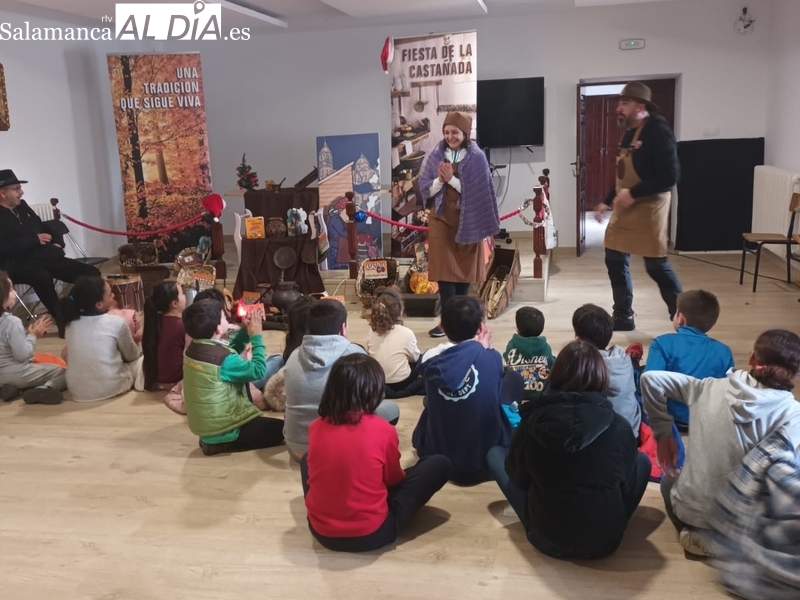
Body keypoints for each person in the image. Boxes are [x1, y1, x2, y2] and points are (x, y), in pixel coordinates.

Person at [641, 329, 800, 557]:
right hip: (745, 521)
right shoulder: (794, 414)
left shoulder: (706, 387)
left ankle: (697, 534)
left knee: (668, 482)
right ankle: (736, 544)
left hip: (693, 512)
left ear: (753, 358)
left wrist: (663, 433)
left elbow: (649, 378)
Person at [487, 340, 650, 559]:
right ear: (601, 377)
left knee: (495, 454)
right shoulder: (620, 426)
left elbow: (518, 476)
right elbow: (625, 483)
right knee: (643, 461)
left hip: (545, 538)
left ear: (556, 374)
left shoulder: (532, 422)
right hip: (605, 541)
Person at [300, 354, 451, 552]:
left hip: (321, 533)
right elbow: (393, 480)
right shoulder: (383, 429)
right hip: (373, 534)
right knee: (439, 464)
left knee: (306, 460)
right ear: (374, 391)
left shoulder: (315, 427)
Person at [593, 83, 682, 331]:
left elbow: (669, 177)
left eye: (625, 103)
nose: (618, 108)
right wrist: (608, 199)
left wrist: (633, 193)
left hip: (650, 205)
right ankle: (623, 316)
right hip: (626, 204)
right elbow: (622, 173)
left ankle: (684, 322)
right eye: (619, 103)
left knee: (656, 266)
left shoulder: (658, 131)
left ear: (640, 106)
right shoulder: (629, 133)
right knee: (614, 257)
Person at [412, 296, 523, 485]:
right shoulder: (493, 357)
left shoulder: (431, 358)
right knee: (513, 379)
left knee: (429, 403)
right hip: (485, 460)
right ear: (480, 328)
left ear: (441, 327)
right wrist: (479, 348)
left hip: (440, 457)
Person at [283, 299, 400, 461]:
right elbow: (374, 399)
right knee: (391, 409)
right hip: (338, 449)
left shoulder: (294, 356)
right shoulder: (354, 354)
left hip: (296, 448)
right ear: (343, 328)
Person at [418, 112, 500, 338]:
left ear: (465, 133)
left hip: (468, 220)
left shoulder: (477, 158)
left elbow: (477, 192)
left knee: (463, 274)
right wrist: (439, 180)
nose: (450, 136)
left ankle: (463, 323)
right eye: (446, 132)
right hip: (441, 220)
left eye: (455, 132)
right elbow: (426, 189)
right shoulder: (436, 154)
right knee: (444, 274)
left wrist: (451, 180)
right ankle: (447, 323)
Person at [0, 170, 100, 333]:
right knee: (41, 276)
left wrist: (57, 242)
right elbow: (3, 248)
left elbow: (43, 226)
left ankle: (70, 310)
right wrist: (34, 240)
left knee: (91, 273)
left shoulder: (22, 206)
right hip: (14, 264)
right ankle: (62, 320)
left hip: (42, 257)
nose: (21, 192)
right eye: (16, 188)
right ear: (3, 192)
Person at [182, 298, 285, 456]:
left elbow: (227, 354)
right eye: (223, 317)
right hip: (227, 429)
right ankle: (222, 444)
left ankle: (212, 441)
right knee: (285, 429)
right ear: (218, 328)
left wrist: (243, 332)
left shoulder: (195, 348)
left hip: (208, 428)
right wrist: (256, 336)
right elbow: (258, 370)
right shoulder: (224, 361)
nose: (226, 319)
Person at [644, 289, 734, 430]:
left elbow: (650, 382)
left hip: (672, 420)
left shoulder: (662, 343)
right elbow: (727, 390)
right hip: (705, 420)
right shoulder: (724, 351)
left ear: (680, 318)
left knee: (636, 377)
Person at [59, 276, 143, 402]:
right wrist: (138, 340)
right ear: (98, 304)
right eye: (110, 294)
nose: (114, 295)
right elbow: (131, 356)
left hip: (76, 392)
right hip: (111, 387)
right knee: (143, 359)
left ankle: (50, 385)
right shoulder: (117, 322)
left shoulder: (70, 324)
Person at [572, 303, 641, 436]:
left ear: (578, 339)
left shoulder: (579, 366)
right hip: (631, 433)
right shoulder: (622, 358)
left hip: (597, 439)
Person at [0, 270, 66, 404]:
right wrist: (32, 335)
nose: (16, 293)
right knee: (63, 372)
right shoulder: (12, 322)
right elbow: (23, 356)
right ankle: (45, 388)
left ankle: (12, 389)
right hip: (13, 373)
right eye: (11, 290)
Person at [366, 288, 422, 398]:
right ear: (400, 313)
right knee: (422, 359)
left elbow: (368, 354)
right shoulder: (407, 333)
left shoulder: (371, 332)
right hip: (401, 382)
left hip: (379, 382)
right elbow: (414, 358)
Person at [503, 306, 555, 402]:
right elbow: (551, 364)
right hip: (540, 394)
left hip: (516, 393)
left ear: (517, 329)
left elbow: (506, 360)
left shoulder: (511, 345)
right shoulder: (545, 347)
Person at [142, 280, 187, 391]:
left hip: (155, 381)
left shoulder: (153, 322)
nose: (185, 296)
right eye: (182, 294)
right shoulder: (181, 325)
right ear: (174, 303)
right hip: (175, 382)